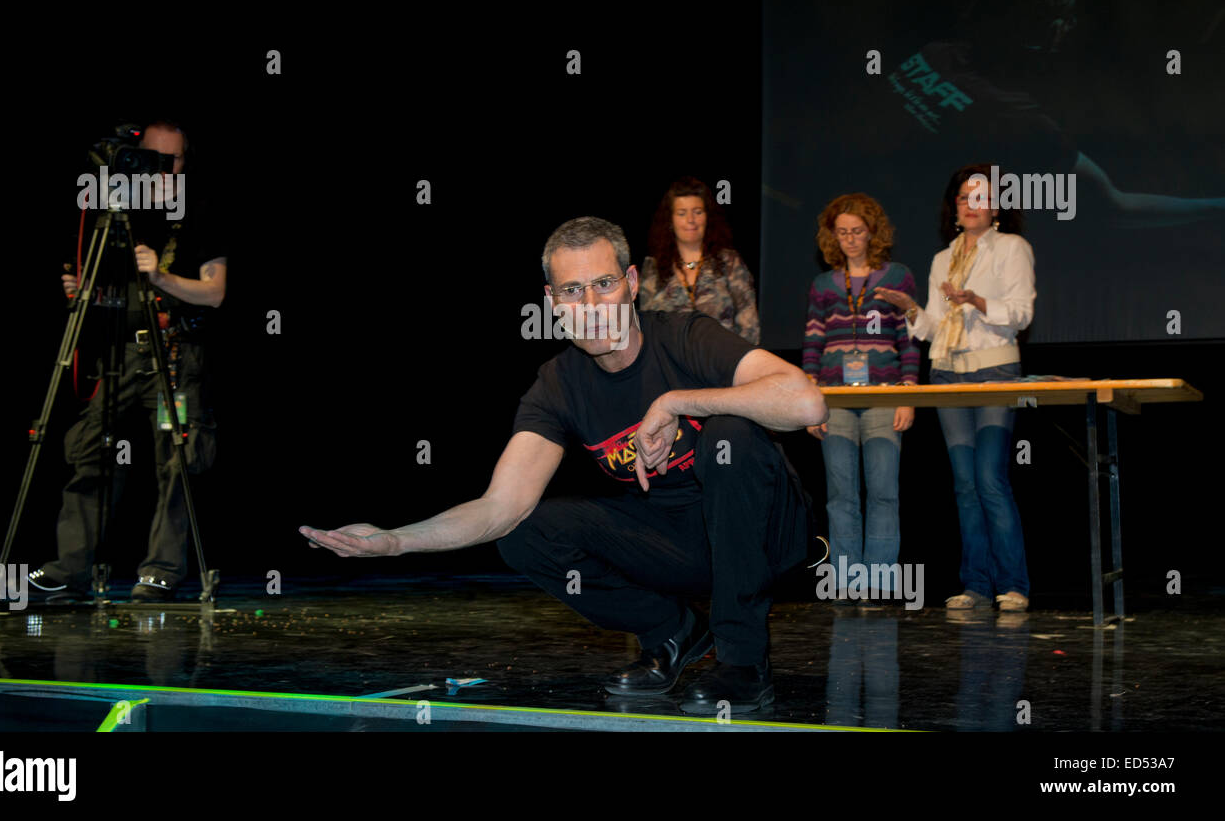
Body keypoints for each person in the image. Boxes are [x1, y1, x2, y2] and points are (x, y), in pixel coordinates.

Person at [301, 217, 826, 714]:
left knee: (729, 433)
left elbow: (806, 403)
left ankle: (742, 662)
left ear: (632, 282)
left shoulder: (684, 336)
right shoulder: (558, 384)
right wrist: (395, 540)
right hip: (685, 547)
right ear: (552, 302)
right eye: (573, 291)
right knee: (524, 531)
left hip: (769, 539)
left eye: (603, 284)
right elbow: (498, 507)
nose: (592, 304)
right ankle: (672, 631)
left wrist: (677, 402)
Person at [28, 119, 227, 602]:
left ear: (185, 162)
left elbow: (215, 294)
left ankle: (161, 570)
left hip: (173, 357)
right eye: (150, 159)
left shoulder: (199, 210)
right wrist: (87, 294)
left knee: (176, 460)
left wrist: (160, 278)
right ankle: (71, 568)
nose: (160, 170)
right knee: (90, 452)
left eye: (171, 159)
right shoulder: (112, 214)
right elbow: (110, 294)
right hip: (120, 351)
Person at [876, 163, 1034, 612]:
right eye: (964, 197)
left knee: (990, 478)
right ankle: (976, 586)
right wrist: (910, 309)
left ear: (996, 206)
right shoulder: (942, 259)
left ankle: (1014, 585)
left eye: (980, 197)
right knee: (965, 485)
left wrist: (977, 301)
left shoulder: (1012, 248)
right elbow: (930, 327)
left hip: (994, 373)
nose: (971, 205)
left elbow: (1021, 314)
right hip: (947, 373)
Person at [802, 194, 919, 602]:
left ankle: (881, 584)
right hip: (833, 402)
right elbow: (813, 345)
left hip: (885, 399)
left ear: (873, 232)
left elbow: (908, 340)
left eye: (857, 230)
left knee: (884, 492)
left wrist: (908, 395)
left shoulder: (897, 277)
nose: (850, 239)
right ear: (833, 236)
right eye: (842, 232)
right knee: (840, 495)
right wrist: (810, 401)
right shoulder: (823, 286)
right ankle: (848, 584)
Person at [638, 176, 760, 344]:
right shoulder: (653, 267)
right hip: (671, 366)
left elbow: (749, 324)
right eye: (682, 213)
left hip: (723, 364)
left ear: (707, 217)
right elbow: (646, 326)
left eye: (697, 212)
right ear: (670, 221)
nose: (691, 220)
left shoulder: (729, 262)